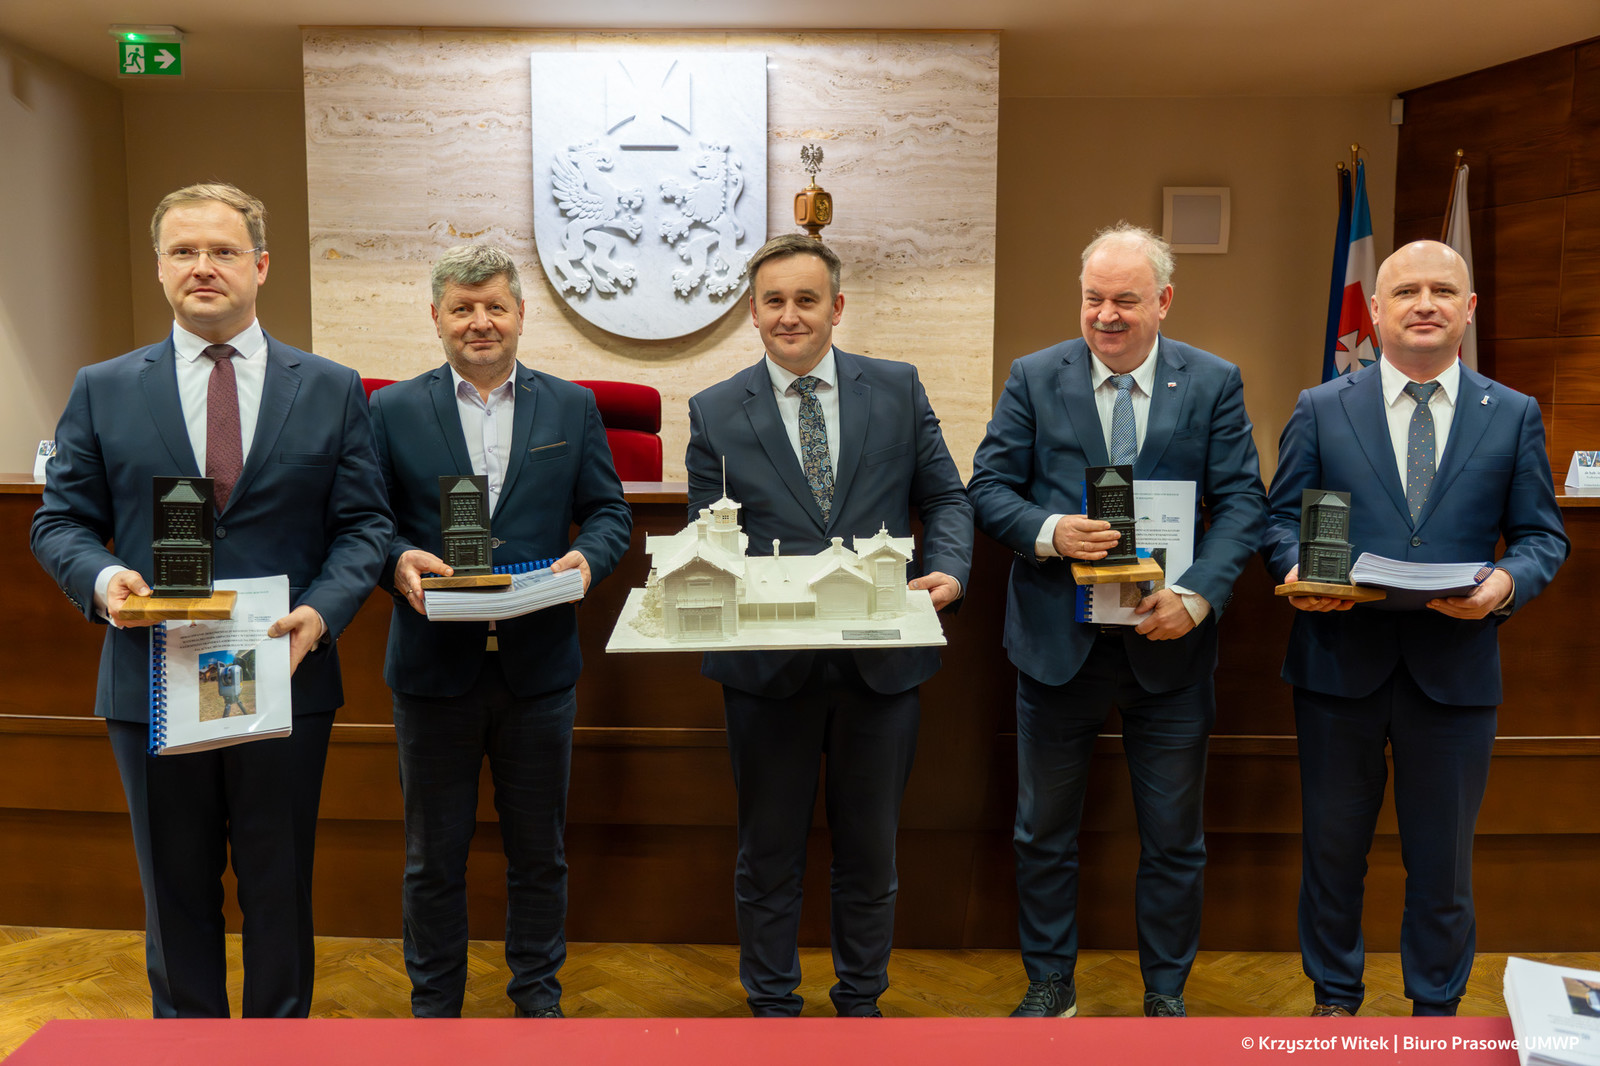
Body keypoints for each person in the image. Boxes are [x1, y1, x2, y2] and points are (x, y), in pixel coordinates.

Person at [30, 182, 393, 1017]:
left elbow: (365, 525)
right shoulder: (103, 387)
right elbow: (60, 522)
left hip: (284, 673)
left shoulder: (331, 387)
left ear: (260, 266)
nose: (203, 267)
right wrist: (104, 580)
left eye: (223, 251)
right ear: (160, 268)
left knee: (279, 887)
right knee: (174, 890)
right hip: (151, 673)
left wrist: (322, 613)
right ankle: (187, 1047)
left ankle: (276, 1045)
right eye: (184, 251)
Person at [967, 222, 1266, 1018]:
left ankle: (1165, 993)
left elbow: (1243, 502)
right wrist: (1048, 531)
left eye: (1125, 300)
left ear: (1163, 301)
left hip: (1169, 645)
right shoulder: (1035, 376)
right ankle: (1050, 984)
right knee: (1042, 831)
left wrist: (1197, 595)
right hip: (1055, 644)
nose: (1106, 315)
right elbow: (988, 487)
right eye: (1093, 298)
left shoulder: (1212, 382)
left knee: (1173, 838)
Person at [1262, 240, 1568, 1017]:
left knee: (1444, 863)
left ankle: (1436, 1012)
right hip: (1338, 664)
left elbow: (1541, 537)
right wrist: (1296, 571)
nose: (1424, 304)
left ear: (1469, 309)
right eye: (1405, 291)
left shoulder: (1513, 413)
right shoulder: (1321, 407)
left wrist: (1504, 585)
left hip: (1456, 670)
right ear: (1375, 310)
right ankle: (1335, 1000)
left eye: (1442, 291)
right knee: (1333, 854)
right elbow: (1279, 519)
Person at [685, 233, 973, 1017]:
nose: (790, 315)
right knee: (767, 854)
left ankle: (861, 1004)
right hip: (765, 669)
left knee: (870, 854)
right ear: (752, 313)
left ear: (836, 307)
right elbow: (706, 532)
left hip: (880, 665)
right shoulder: (715, 410)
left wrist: (951, 569)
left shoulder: (897, 388)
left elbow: (946, 497)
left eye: (806, 300)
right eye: (774, 301)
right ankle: (773, 1007)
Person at [369, 243, 631, 1018]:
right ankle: (434, 1012)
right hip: (432, 671)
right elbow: (364, 522)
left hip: (538, 670)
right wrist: (396, 560)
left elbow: (609, 512)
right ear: (437, 317)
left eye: (494, 307)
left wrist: (588, 559)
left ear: (520, 314)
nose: (479, 322)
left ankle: (537, 1004)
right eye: (462, 308)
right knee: (432, 861)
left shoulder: (572, 406)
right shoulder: (390, 410)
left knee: (539, 856)